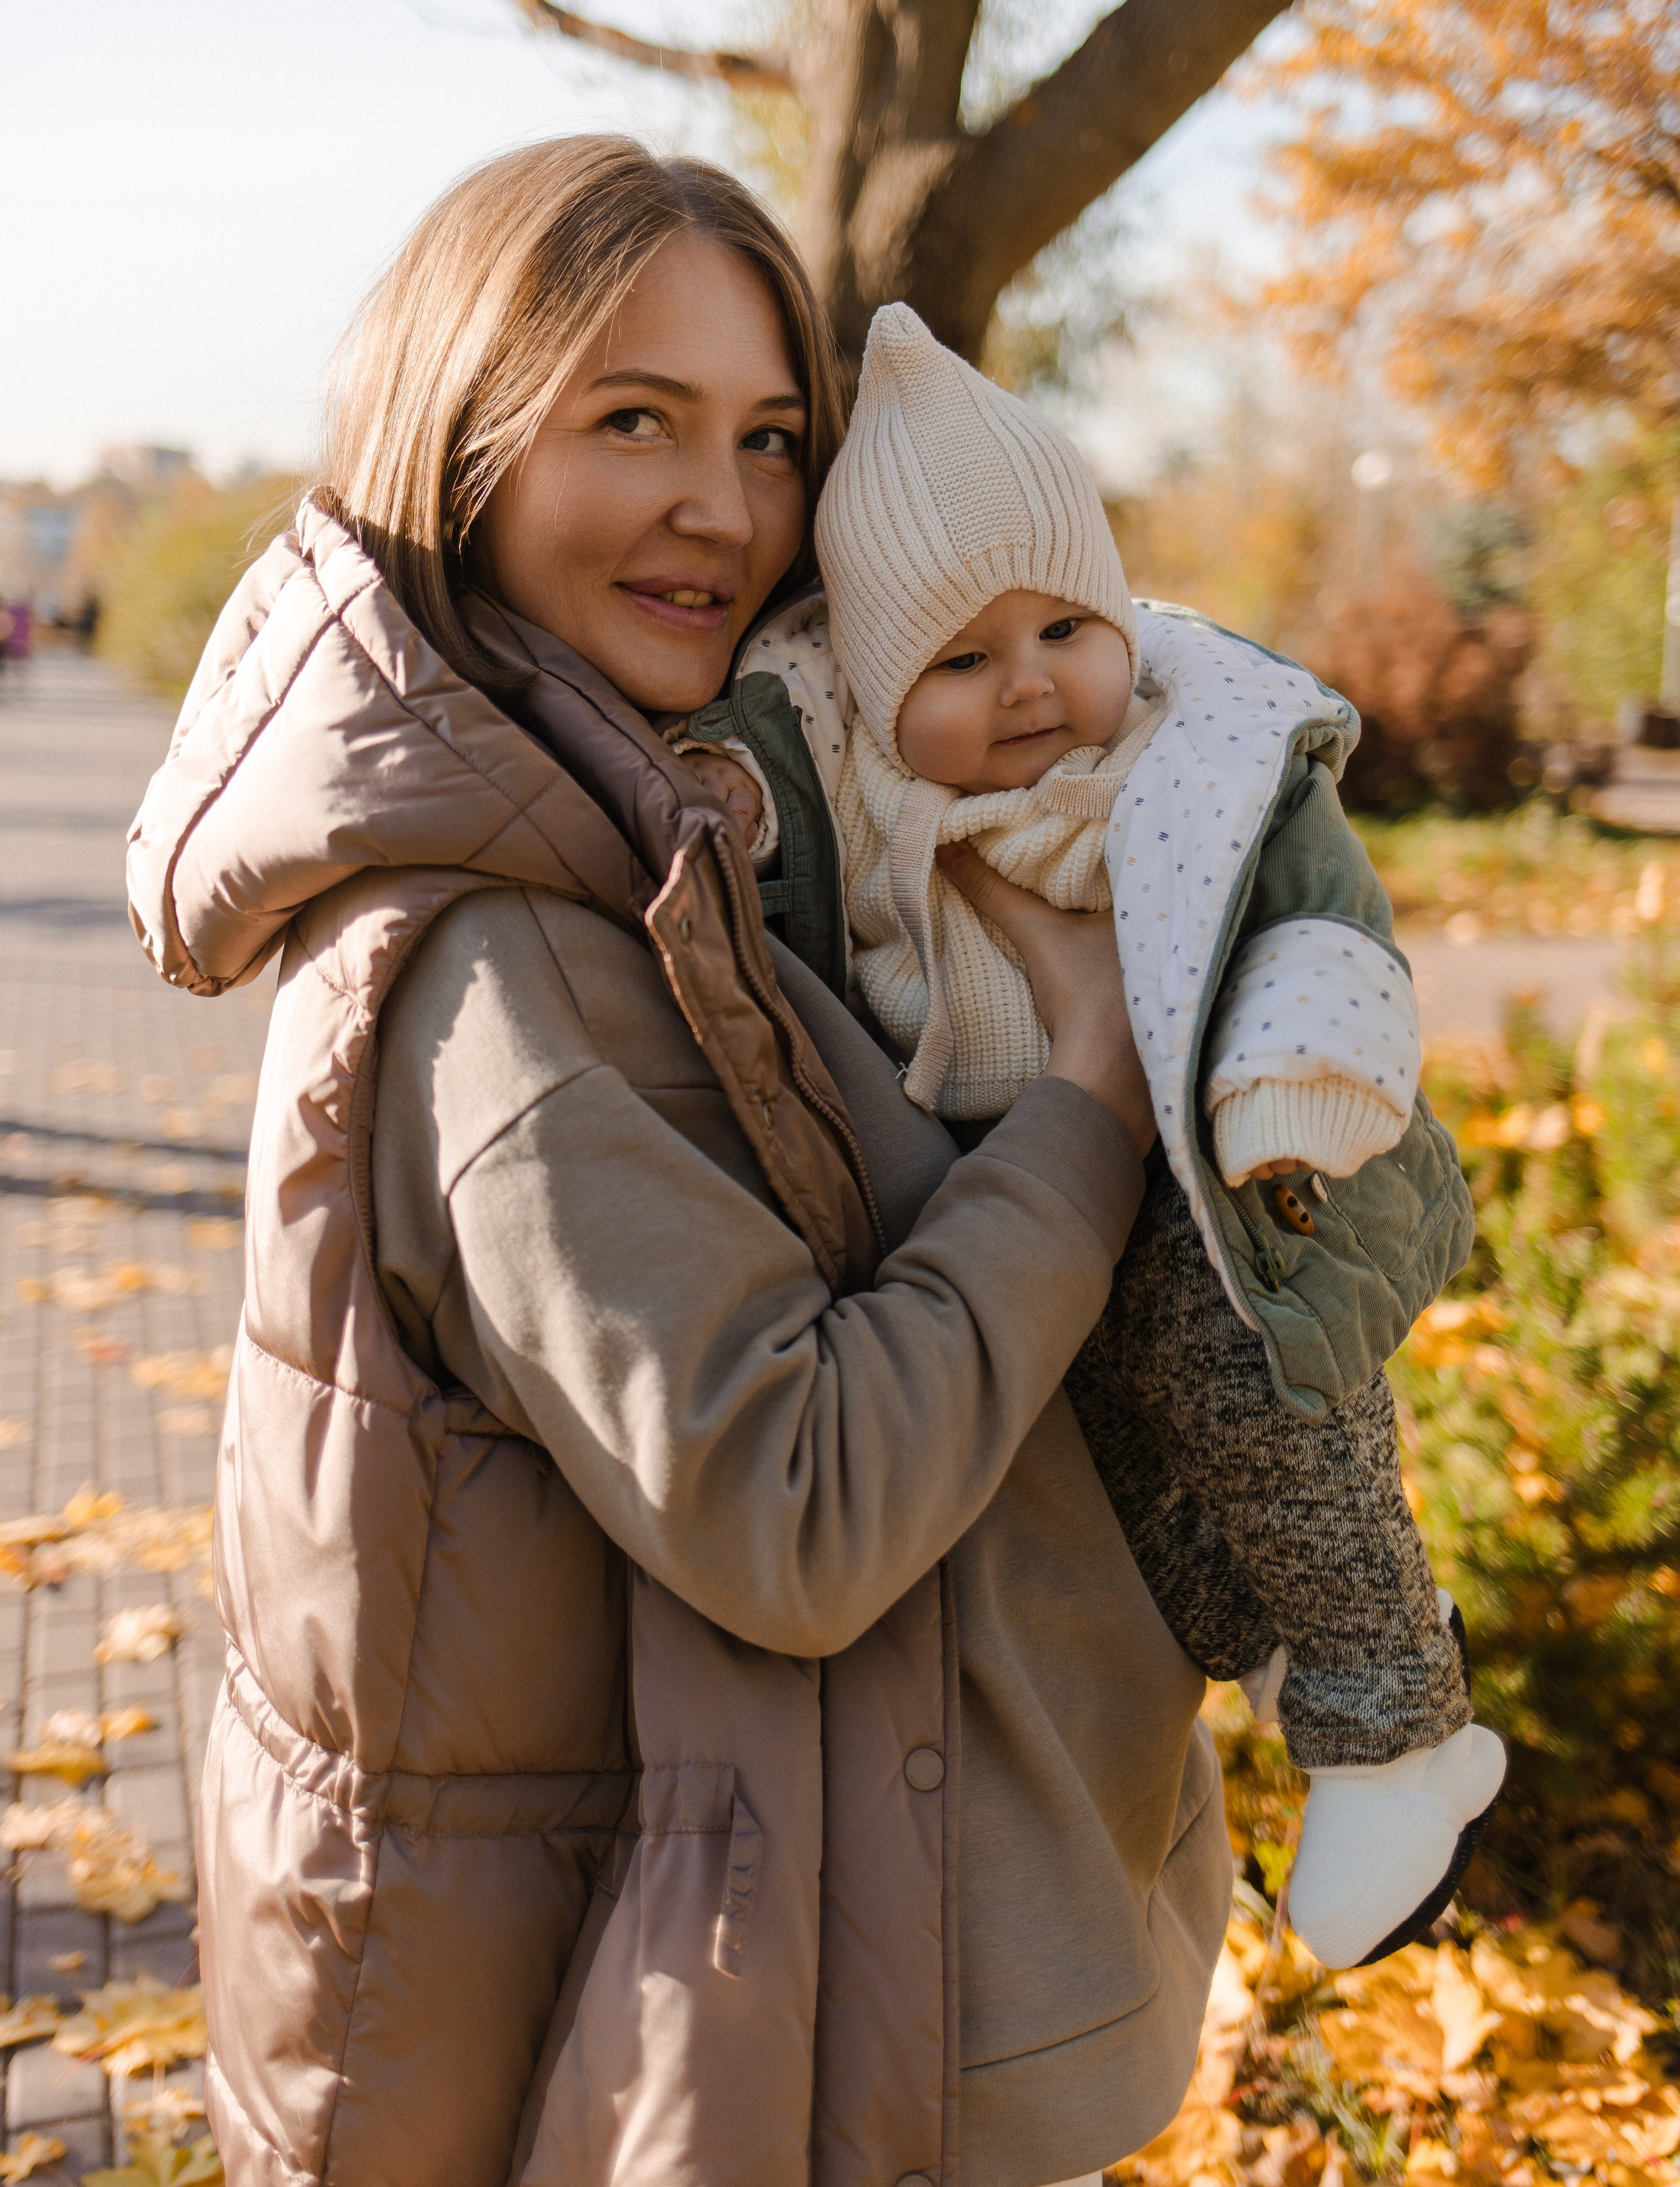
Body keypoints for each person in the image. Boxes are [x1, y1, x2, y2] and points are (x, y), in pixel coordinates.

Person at [127, 140, 1230, 2187]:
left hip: (793, 1986)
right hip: (715, 2061)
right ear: (461, 445)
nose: (724, 508)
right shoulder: (511, 965)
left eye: (769, 437)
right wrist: (1088, 1096)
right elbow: (797, 1507)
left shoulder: (646, 837)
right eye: (634, 419)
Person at [675, 304, 1507, 1974]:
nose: (1030, 684)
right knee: (1137, 1499)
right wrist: (732, 792)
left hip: (1235, 1185)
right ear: (877, 690)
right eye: (958, 662)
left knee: (1258, 1413)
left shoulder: (1186, 761)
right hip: (1032, 1215)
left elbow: (1319, 924)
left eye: (1065, 626)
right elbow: (777, 744)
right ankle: (1300, 1648)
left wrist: (1282, 1094)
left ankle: (1393, 1724)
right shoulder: (872, 796)